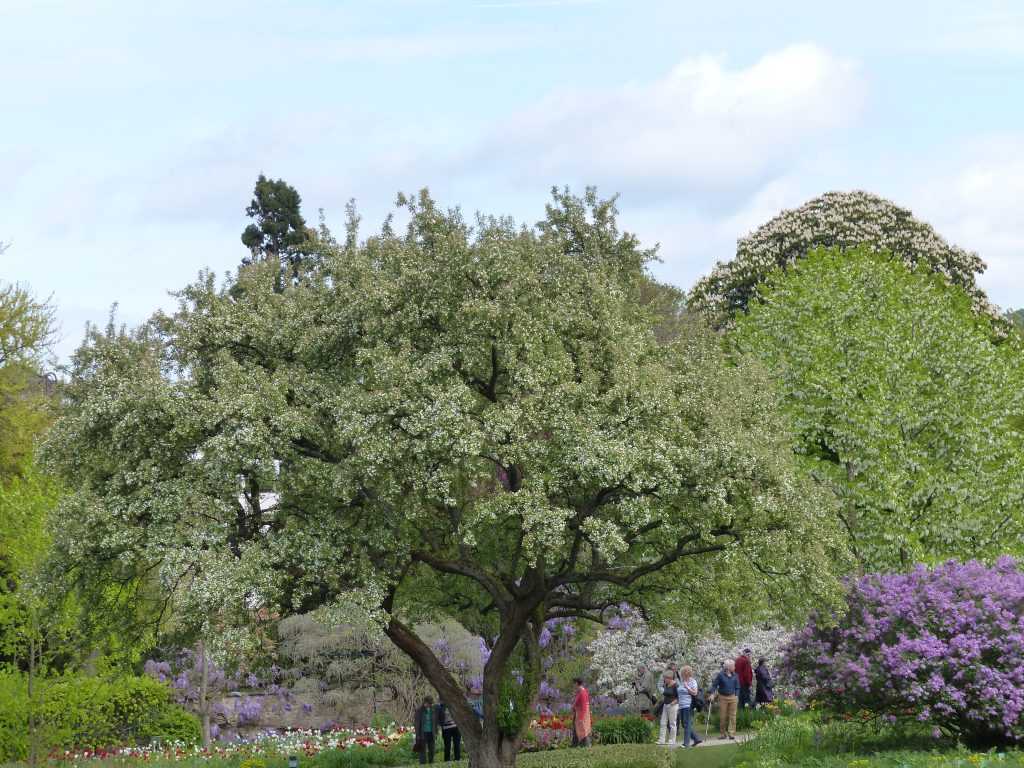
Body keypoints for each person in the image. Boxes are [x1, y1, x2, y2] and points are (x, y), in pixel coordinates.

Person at [710, 659, 740, 740]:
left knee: (732, 716)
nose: (735, 667)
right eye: (733, 666)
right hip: (723, 697)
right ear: (728, 667)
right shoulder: (720, 675)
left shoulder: (735, 675)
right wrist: (712, 694)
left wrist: (736, 695)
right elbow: (714, 685)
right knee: (723, 717)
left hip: (733, 697)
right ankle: (723, 734)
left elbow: (737, 686)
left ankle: (731, 733)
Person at [678, 665, 703, 748]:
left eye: (683, 673)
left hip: (688, 705)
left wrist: (687, 687)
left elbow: (695, 693)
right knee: (684, 724)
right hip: (681, 705)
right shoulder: (682, 682)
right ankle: (696, 738)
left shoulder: (693, 681)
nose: (682, 675)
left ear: (687, 673)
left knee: (687, 724)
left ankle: (686, 743)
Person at [656, 671, 679, 746]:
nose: (664, 679)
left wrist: (672, 703)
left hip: (673, 706)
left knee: (672, 723)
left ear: (670, 678)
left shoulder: (676, 685)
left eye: (665, 678)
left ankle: (672, 740)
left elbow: (679, 697)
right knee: (663, 723)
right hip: (665, 705)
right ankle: (661, 740)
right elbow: (665, 694)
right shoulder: (666, 684)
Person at [414, 695, 437, 764]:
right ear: (425, 702)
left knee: (432, 750)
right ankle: (423, 764)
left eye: (431, 703)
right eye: (429, 703)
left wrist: (436, 732)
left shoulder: (433, 710)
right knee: (422, 751)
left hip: (431, 732)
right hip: (423, 733)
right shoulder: (419, 711)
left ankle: (431, 763)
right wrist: (418, 735)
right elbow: (417, 724)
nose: (430, 705)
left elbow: (435, 722)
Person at [571, 677, 592, 747]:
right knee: (576, 730)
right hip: (578, 714)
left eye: (573, 683)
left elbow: (584, 706)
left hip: (581, 715)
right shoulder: (579, 692)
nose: (573, 685)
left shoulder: (582, 692)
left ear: (577, 683)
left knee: (583, 730)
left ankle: (586, 745)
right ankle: (574, 744)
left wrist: (581, 718)